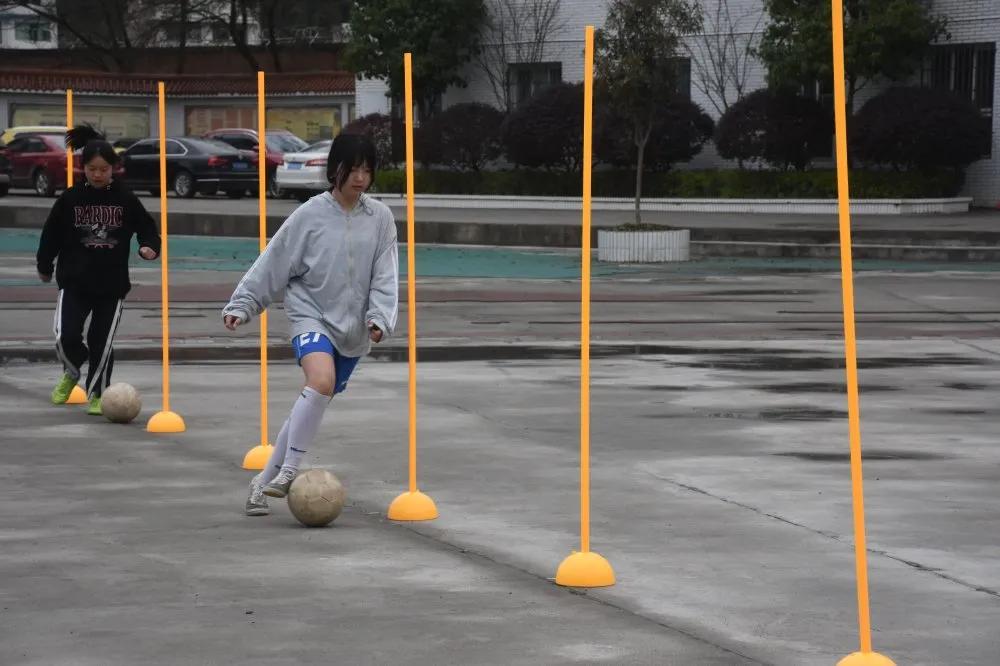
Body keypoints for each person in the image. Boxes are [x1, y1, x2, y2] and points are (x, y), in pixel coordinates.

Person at [222, 133, 398, 517]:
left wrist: (380, 317)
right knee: (320, 381)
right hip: (310, 314)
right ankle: (288, 471)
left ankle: (261, 483)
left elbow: (385, 274)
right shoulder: (309, 214)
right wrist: (245, 303)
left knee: (315, 398)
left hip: (353, 330)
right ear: (335, 169)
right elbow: (274, 262)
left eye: (367, 170)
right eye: (352, 169)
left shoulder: (381, 219)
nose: (360, 178)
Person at [37, 124, 160, 416]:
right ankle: (72, 369)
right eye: (92, 169)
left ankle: (98, 393)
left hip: (111, 285)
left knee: (101, 342)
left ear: (113, 168)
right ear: (84, 168)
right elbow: (51, 234)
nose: (97, 175)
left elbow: (147, 228)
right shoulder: (70, 199)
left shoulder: (125, 198)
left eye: (103, 169)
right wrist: (44, 264)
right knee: (65, 336)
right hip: (74, 282)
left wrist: (149, 247)